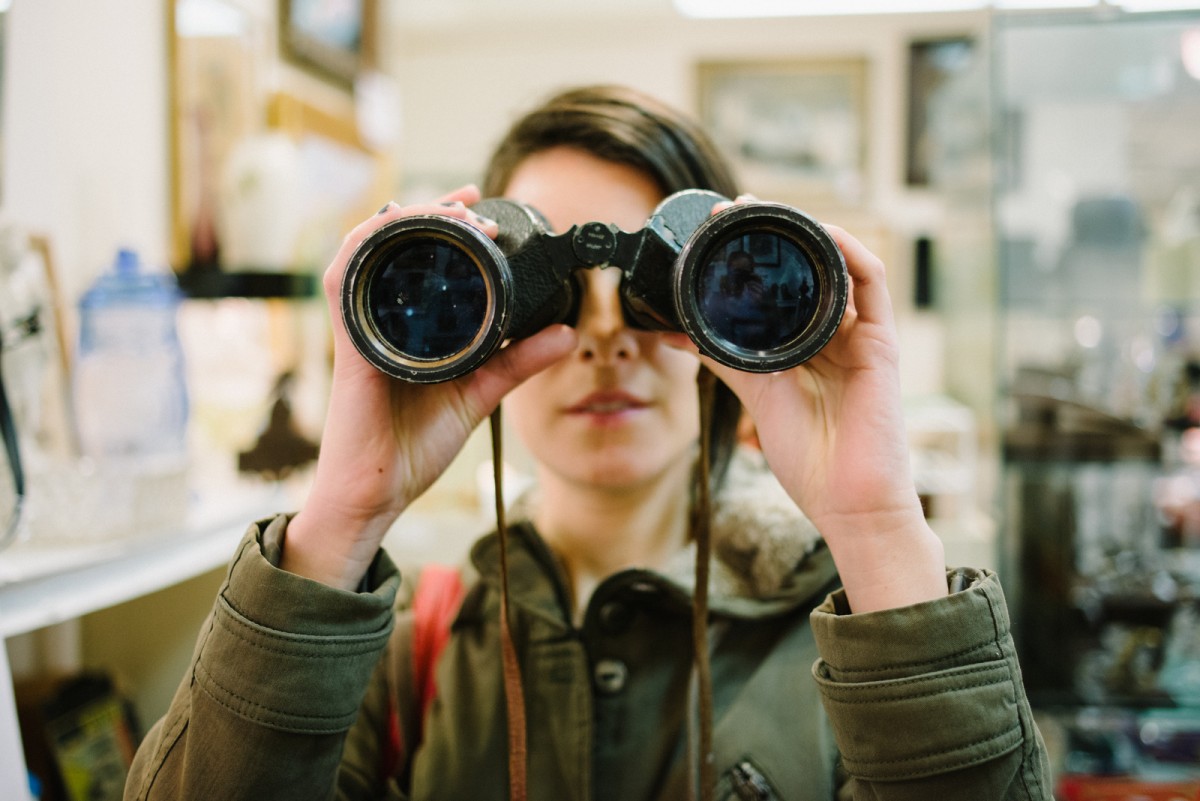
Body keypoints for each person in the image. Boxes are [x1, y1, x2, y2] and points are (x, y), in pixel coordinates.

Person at [124, 85, 1051, 801]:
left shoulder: (862, 634)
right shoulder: (406, 653)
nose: (605, 333)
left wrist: (879, 529)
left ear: (721, 322)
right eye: (554, 292)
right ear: (492, 318)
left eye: (656, 292)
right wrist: (340, 518)